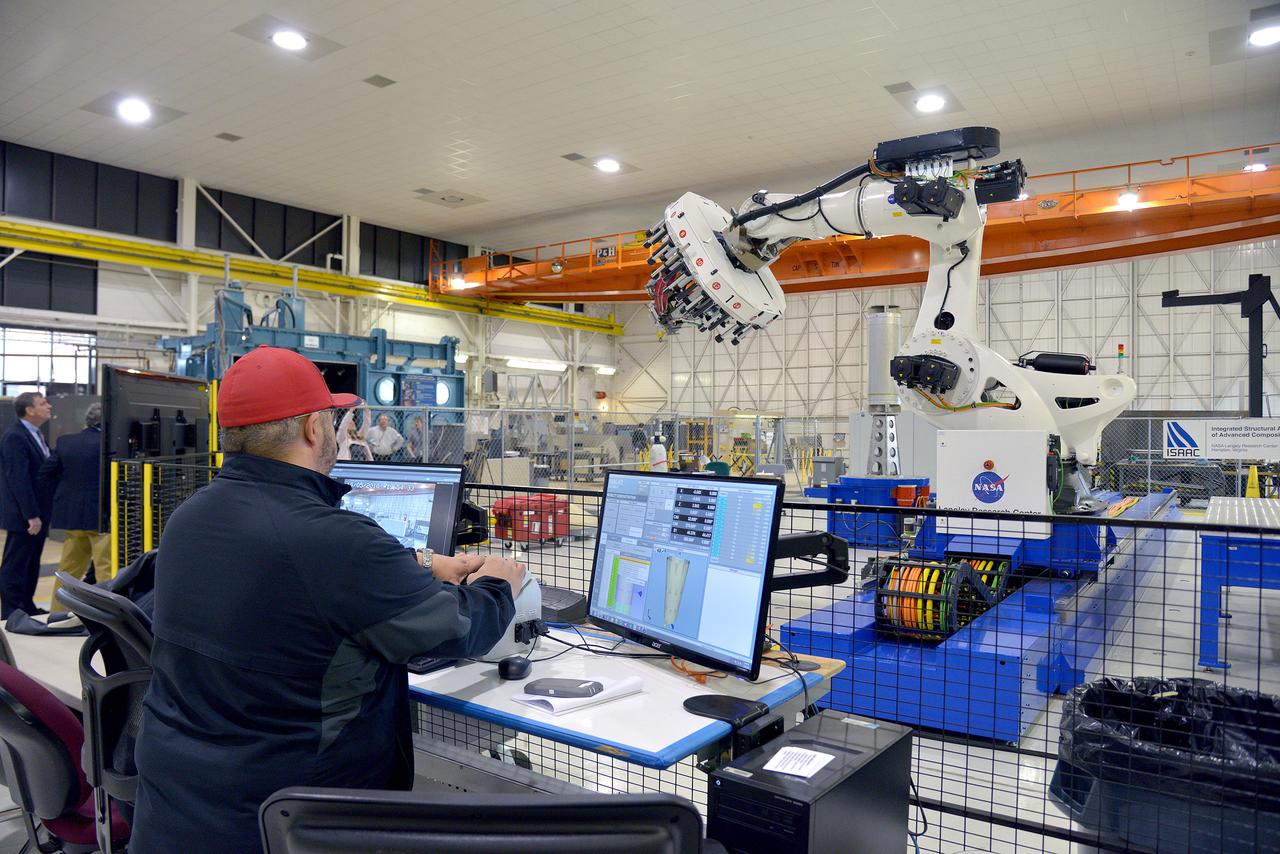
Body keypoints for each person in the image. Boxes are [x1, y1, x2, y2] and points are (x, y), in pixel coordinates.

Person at [130, 346, 524, 853]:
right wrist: (497, 583)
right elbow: (458, 630)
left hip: (184, 809)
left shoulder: (190, 518)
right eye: (335, 421)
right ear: (314, 429)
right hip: (293, 822)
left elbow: (292, 584)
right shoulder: (337, 540)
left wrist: (421, 564)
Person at [40, 402, 110, 611]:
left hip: (73, 518)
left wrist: (66, 491)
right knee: (105, 570)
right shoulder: (109, 445)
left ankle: (57, 612)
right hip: (101, 518)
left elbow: (45, 474)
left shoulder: (66, 442)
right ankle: (104, 615)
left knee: (68, 569)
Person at [0, 393, 53, 618]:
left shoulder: (35, 434)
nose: (48, 406)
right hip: (24, 515)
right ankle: (11, 610)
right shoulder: (15, 436)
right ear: (29, 410)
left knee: (31, 562)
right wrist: (31, 515)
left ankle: (26, 605)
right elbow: (18, 479)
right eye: (43, 403)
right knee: (16, 564)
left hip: (37, 512)